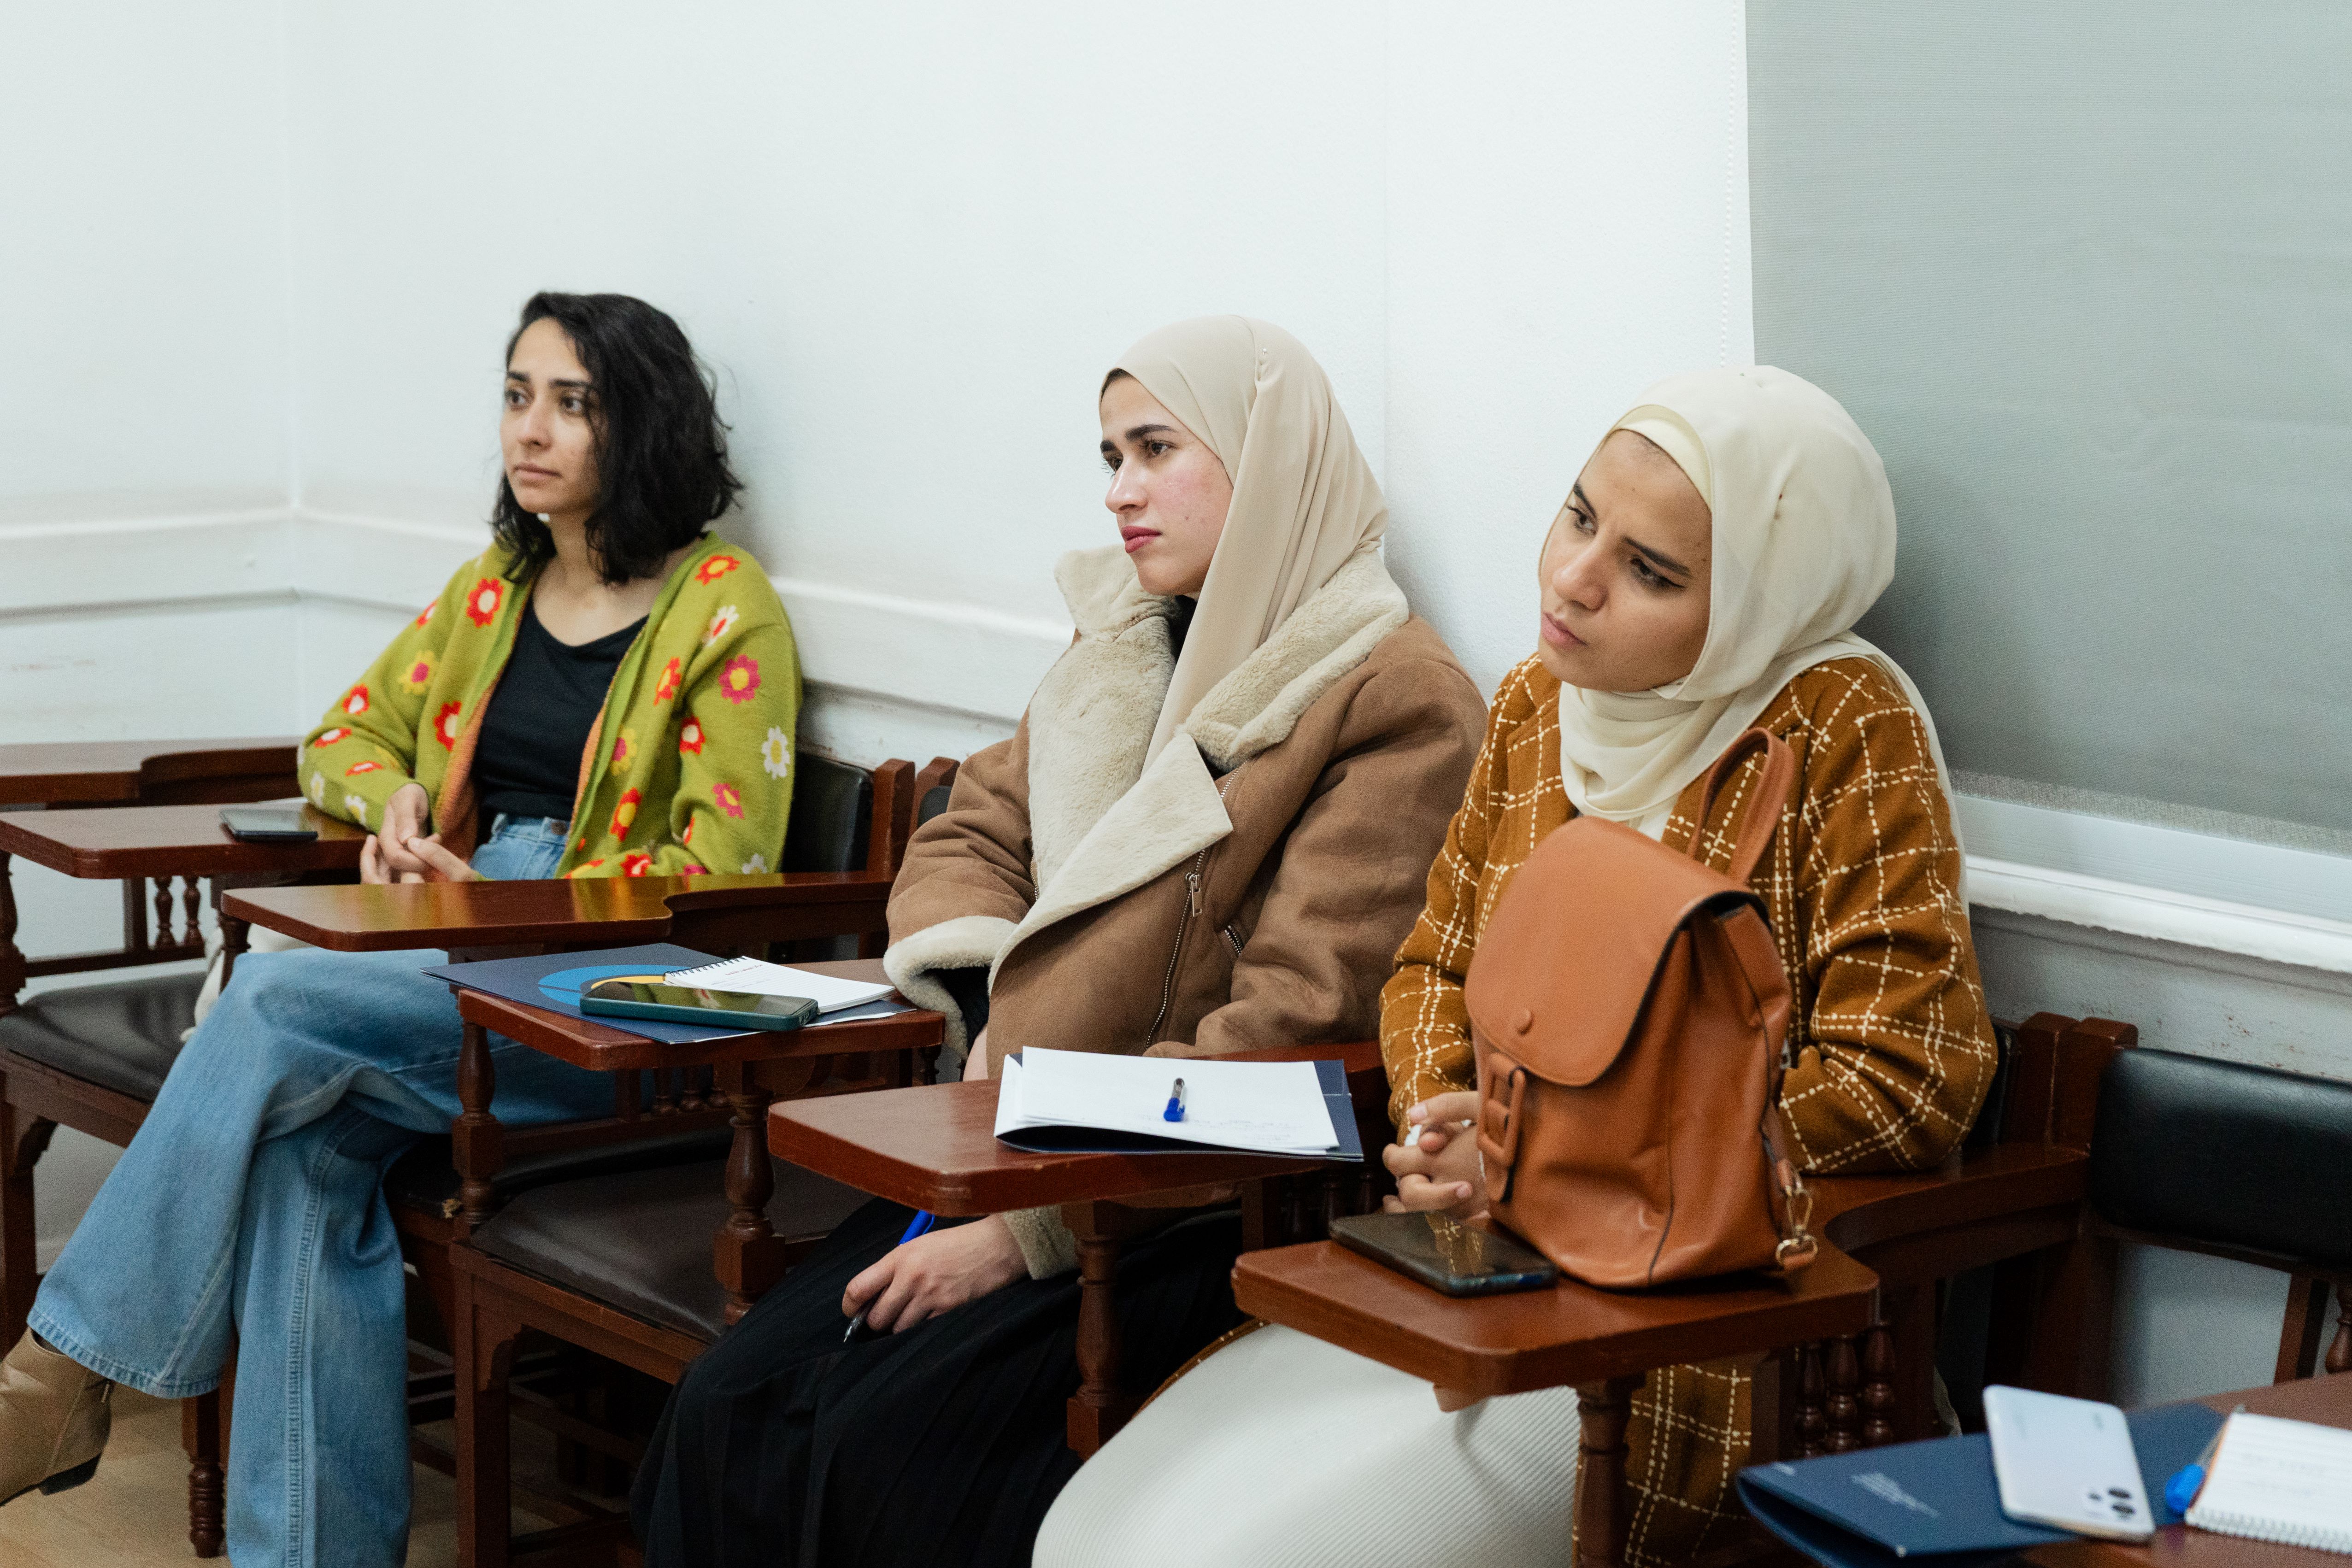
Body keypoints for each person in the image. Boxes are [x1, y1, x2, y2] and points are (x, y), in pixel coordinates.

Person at [1034, 365, 1999, 1568]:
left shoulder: (1840, 727)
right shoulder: (1541, 705)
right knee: (1089, 1531)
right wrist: (1449, 1119)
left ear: (1762, 602)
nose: (1573, 577)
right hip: (1473, 1273)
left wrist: (1553, 1164)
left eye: (1653, 572)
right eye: (1581, 515)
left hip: (1692, 1337)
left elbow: (1912, 1075)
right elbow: (1436, 963)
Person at [628, 315, 1488, 1568]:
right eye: (1108, 454)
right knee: (729, 1408)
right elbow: (968, 826)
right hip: (1008, 1147)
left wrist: (1028, 1226)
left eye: (1154, 449)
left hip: (1181, 1207)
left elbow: (1287, 1035)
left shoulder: (1392, 699)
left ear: (1272, 463)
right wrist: (996, 1001)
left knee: (875, 1452)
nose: (1119, 490)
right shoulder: (1127, 644)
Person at [0, 292, 800, 1567]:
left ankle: (62, 1372)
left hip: (605, 995)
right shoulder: (497, 589)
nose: (529, 430)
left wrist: (487, 893)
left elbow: (720, 872)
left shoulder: (722, 604)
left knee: (270, 1004)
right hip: (451, 962)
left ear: (642, 423)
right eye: (516, 393)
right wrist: (401, 806)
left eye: (572, 402)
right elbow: (343, 737)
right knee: (304, 1166)